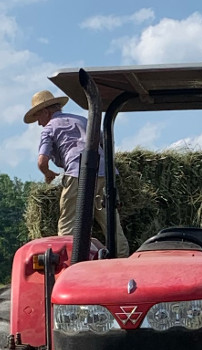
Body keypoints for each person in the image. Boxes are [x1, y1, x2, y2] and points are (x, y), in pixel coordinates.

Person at [24, 90, 129, 257]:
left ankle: (70, 263)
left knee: (68, 224)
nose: (39, 124)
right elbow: (106, 142)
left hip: (78, 173)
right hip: (104, 172)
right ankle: (122, 259)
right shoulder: (82, 119)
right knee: (110, 222)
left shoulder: (49, 128)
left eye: (38, 118)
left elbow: (42, 161)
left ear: (46, 112)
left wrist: (48, 173)